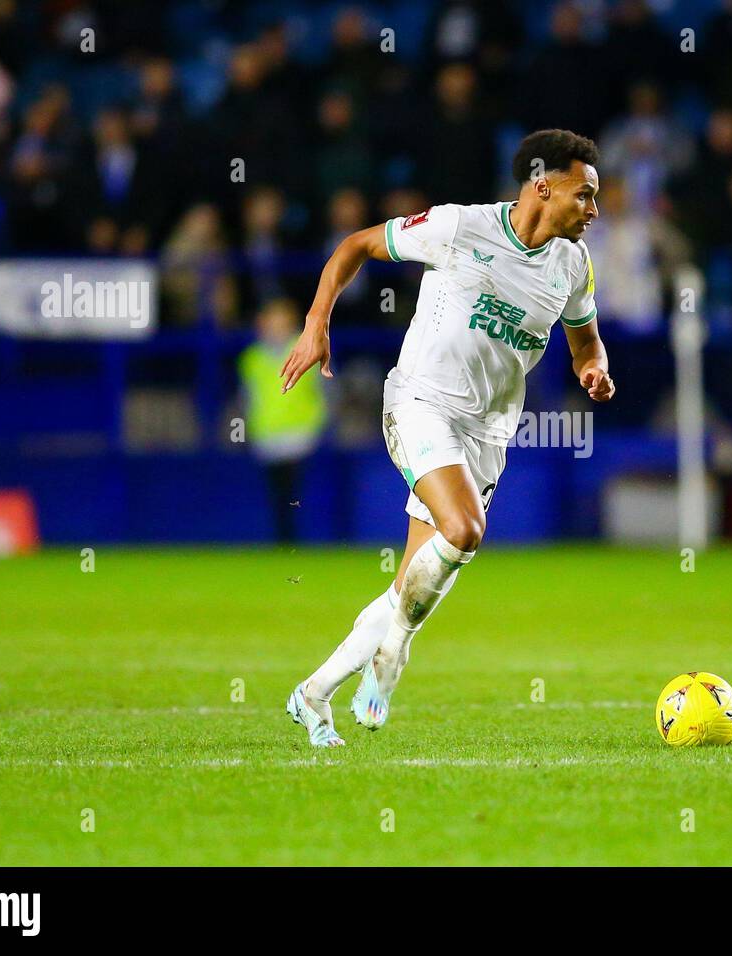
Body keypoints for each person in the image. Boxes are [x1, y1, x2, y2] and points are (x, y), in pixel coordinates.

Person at [279, 129, 613, 746]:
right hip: (420, 403)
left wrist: (594, 368)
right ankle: (394, 654)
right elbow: (355, 245)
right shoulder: (461, 228)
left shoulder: (574, 266)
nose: (594, 209)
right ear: (543, 186)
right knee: (464, 532)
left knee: (411, 583)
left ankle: (313, 694)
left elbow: (584, 340)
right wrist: (315, 324)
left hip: (488, 433)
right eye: (584, 194)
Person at [237, 299, 327, 544]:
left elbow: (325, 390)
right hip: (267, 439)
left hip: (301, 438)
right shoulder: (252, 358)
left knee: (298, 497)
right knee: (278, 498)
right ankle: (283, 544)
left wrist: (318, 424)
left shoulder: (306, 348)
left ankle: (302, 544)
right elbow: (248, 398)